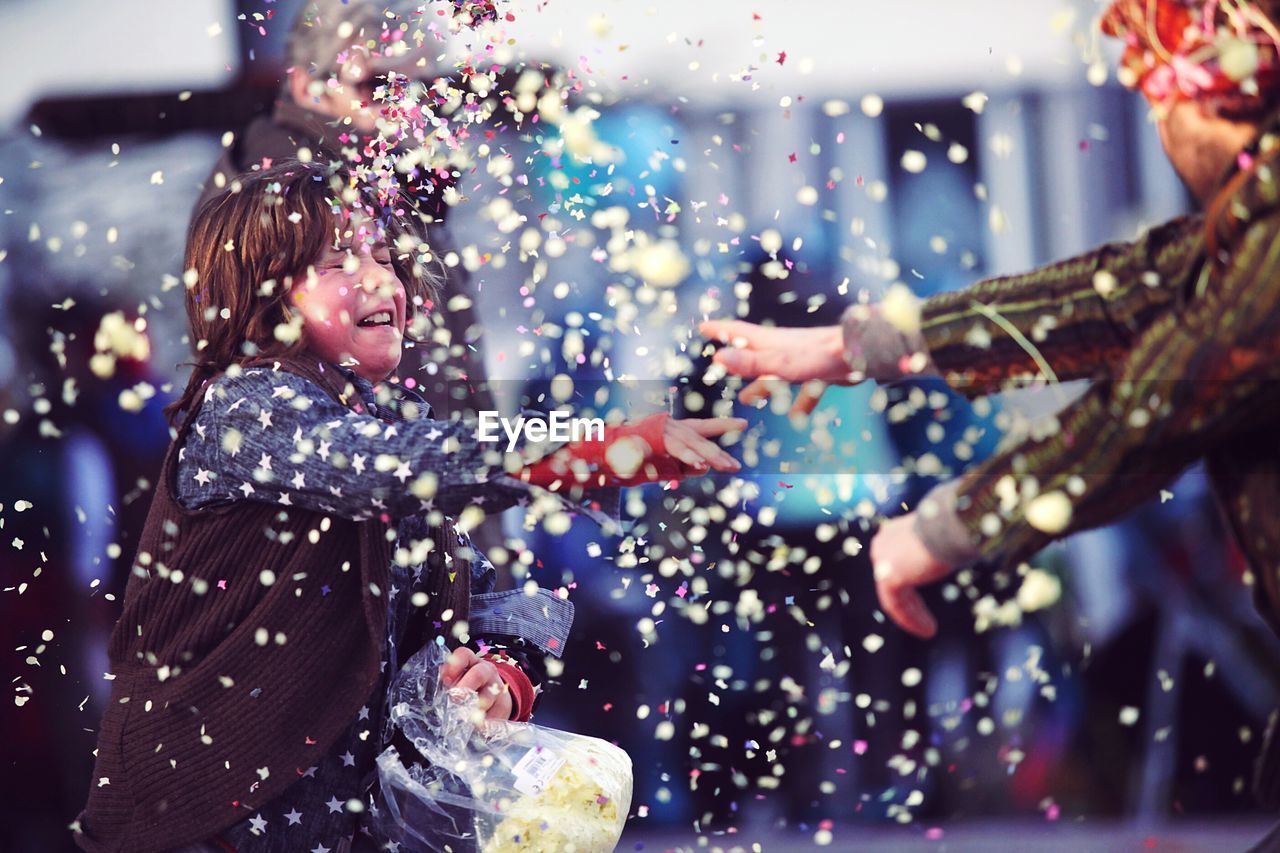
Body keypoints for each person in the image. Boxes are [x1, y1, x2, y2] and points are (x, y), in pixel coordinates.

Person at [703, 0, 1280, 819]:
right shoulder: (1249, 221)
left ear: (1215, 100)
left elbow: (1166, 395)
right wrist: (856, 344)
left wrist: (951, 523)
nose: (1159, 131)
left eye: (1158, 107)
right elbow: (1114, 292)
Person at [73, 161, 744, 852]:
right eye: (338, 262)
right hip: (206, 816)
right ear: (261, 297)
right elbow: (383, 466)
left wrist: (497, 673)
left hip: (342, 821)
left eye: (386, 257)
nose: (378, 279)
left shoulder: (385, 420)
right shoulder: (246, 406)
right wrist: (592, 445)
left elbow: (477, 596)